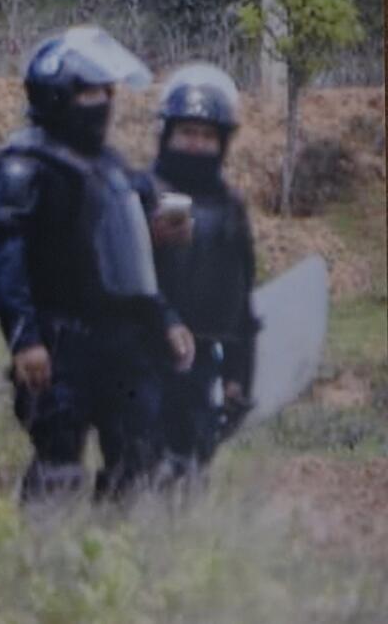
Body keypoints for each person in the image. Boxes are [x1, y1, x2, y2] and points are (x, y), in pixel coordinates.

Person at [0, 26, 195, 504]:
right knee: (58, 466)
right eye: (91, 91)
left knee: (140, 462)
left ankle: (120, 570)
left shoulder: (111, 167)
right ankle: (46, 567)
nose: (104, 101)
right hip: (59, 339)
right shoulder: (22, 165)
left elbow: (132, 260)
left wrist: (165, 317)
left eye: (107, 91)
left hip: (123, 339)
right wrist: (26, 338)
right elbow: (5, 257)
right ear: (59, 96)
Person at [142, 63, 259, 483]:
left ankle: (185, 545)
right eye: (187, 133)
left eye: (207, 136)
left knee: (192, 467)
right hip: (142, 357)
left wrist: (238, 377)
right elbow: (121, 278)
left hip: (203, 361)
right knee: (141, 466)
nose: (196, 145)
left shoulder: (230, 206)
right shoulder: (142, 193)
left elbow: (242, 299)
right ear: (168, 134)